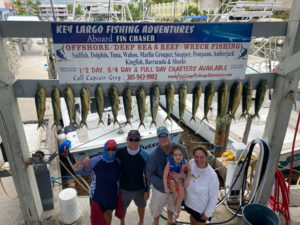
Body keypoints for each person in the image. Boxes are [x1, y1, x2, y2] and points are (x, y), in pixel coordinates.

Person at [146, 126, 188, 225]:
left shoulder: (181, 149)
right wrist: (164, 184)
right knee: (156, 211)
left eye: (165, 135)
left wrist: (183, 174)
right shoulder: (153, 155)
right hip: (160, 189)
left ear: (169, 136)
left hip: (176, 186)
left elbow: (186, 167)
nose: (164, 137)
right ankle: (155, 223)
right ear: (157, 138)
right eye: (161, 136)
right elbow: (149, 174)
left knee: (172, 208)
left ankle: (170, 221)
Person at [74, 139, 121, 225]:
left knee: (109, 213)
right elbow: (83, 172)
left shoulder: (118, 162)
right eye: (108, 148)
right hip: (97, 195)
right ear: (104, 149)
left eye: (113, 149)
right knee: (98, 217)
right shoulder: (94, 160)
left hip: (112, 195)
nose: (111, 151)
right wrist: (77, 168)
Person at [116, 130, 149, 225]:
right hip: (124, 188)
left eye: (136, 139)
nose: (134, 142)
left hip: (139, 188)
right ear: (127, 140)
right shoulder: (120, 152)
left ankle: (141, 221)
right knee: (123, 207)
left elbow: (147, 174)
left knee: (142, 206)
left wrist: (147, 190)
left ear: (140, 140)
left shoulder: (145, 155)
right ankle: (122, 222)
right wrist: (89, 157)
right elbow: (106, 154)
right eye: (131, 139)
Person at [184, 146, 219, 225]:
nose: (198, 160)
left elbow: (214, 197)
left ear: (206, 157)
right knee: (192, 219)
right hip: (189, 204)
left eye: (201, 157)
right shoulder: (192, 162)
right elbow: (186, 175)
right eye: (196, 157)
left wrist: (207, 213)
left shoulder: (212, 176)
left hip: (201, 210)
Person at [163, 146, 191, 218]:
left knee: (182, 194)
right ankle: (174, 208)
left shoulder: (185, 162)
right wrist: (166, 187)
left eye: (180, 155)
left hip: (179, 179)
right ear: (172, 156)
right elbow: (165, 176)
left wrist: (187, 180)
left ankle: (177, 207)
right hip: (171, 180)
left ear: (183, 155)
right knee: (176, 194)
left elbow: (189, 170)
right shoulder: (169, 163)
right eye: (176, 155)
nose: (178, 157)